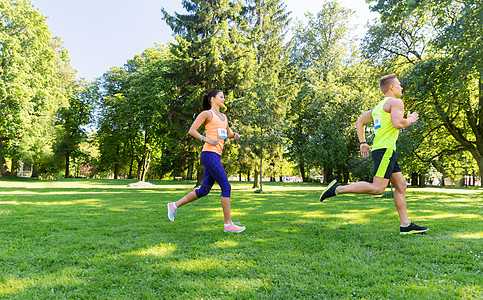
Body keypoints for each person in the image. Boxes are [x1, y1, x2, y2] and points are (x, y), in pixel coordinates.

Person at [319, 74, 429, 235]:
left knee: (401, 186)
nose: (401, 87)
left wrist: (363, 142)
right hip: (385, 150)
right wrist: (410, 120)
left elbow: (360, 122)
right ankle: (338, 189)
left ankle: (405, 225)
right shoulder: (396, 102)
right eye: (399, 84)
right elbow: (397, 124)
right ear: (391, 87)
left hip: (384, 150)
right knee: (378, 188)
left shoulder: (378, 107)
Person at [167, 90, 246, 233]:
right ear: (212, 99)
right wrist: (206, 139)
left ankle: (174, 205)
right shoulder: (207, 114)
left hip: (216, 155)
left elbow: (226, 134)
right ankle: (228, 225)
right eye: (221, 97)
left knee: (204, 190)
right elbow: (192, 130)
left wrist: (234, 135)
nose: (224, 99)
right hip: (209, 153)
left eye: (224, 97)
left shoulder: (224, 117)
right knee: (226, 187)